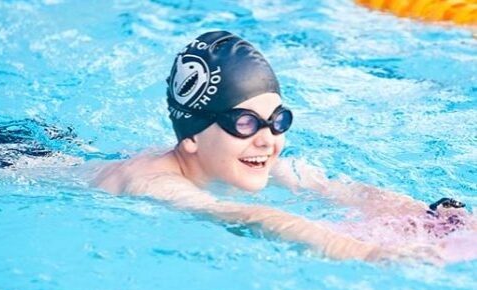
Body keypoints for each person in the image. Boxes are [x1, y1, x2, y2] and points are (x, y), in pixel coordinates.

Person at [92, 31, 475, 264]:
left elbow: (339, 190)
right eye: (244, 123)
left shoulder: (241, 159)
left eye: (278, 120)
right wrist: (369, 254)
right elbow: (247, 216)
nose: (267, 139)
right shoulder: (151, 183)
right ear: (191, 136)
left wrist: (432, 218)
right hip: (34, 166)